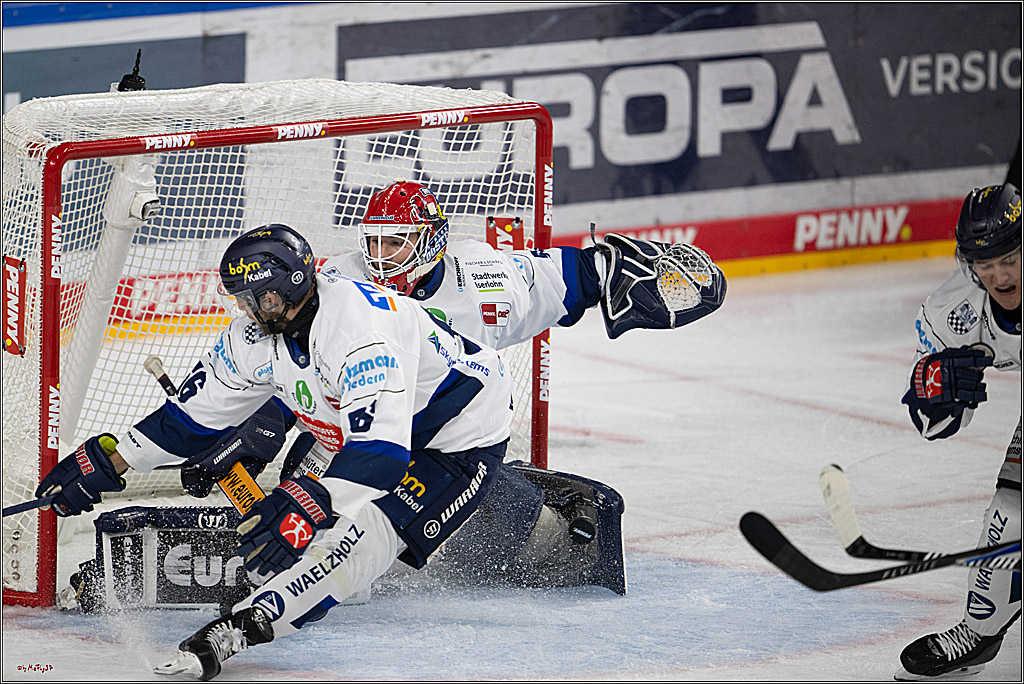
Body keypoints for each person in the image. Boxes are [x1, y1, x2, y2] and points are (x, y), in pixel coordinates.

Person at [35, 224, 515, 681]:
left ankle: (239, 631)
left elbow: (384, 455)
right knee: (307, 512)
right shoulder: (256, 335)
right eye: (241, 299)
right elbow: (187, 419)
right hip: (360, 426)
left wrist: (309, 505)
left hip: (457, 439)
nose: (246, 309)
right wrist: (104, 463)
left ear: (289, 287)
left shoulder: (358, 332)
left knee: (357, 540)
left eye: (255, 297)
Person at [895, 183, 1021, 681]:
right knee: (1009, 517)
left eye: (1009, 256)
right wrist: (936, 390)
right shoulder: (953, 312)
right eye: (985, 263)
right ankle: (980, 630)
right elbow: (935, 427)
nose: (999, 274)